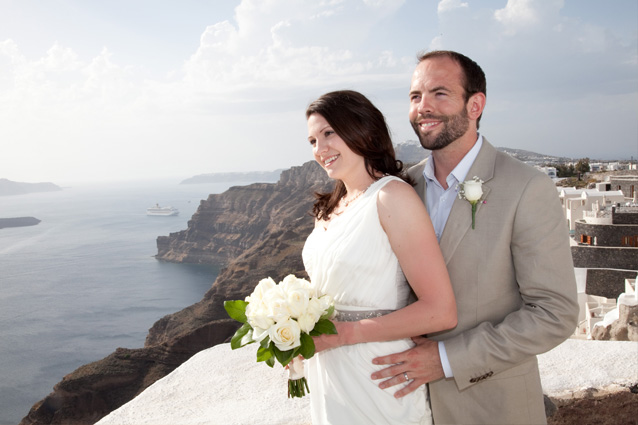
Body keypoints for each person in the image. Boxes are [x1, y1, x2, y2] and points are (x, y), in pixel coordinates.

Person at [371, 50, 580, 424]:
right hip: (400, 405)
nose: (423, 108)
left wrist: (447, 359)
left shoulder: (526, 187)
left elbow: (555, 313)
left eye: (439, 93)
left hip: (492, 407)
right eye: (415, 96)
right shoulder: (400, 188)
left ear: (475, 105)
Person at [301, 90, 457, 425]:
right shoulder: (327, 210)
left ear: (364, 129)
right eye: (313, 140)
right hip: (328, 374)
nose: (320, 149)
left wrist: (344, 334)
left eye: (329, 133)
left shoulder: (392, 198)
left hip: (378, 372)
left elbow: (441, 311)